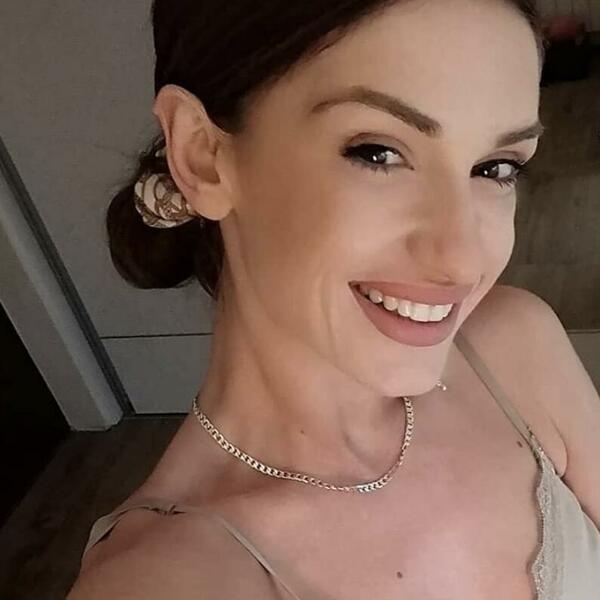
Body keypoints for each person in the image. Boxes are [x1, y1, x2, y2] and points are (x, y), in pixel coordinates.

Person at [67, 0, 600, 598]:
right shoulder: (168, 579)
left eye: (495, 167)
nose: (461, 259)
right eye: (378, 153)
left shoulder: (515, 345)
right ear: (203, 155)